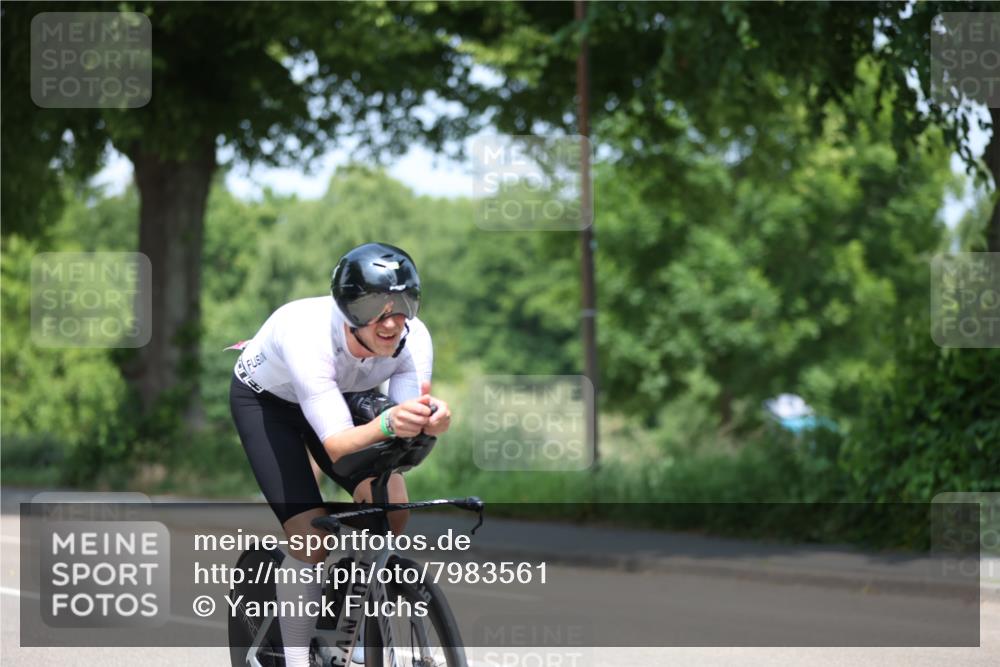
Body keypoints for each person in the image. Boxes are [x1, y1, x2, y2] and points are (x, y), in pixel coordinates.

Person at [229, 242, 451, 666]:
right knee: (310, 537)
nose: (392, 322)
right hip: (268, 405)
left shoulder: (414, 339)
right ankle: (296, 658)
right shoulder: (307, 335)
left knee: (393, 510)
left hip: (341, 394)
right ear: (348, 310)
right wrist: (390, 423)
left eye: (405, 304)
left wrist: (431, 421)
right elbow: (336, 443)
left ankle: (351, 611)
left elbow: (401, 426)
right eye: (376, 309)